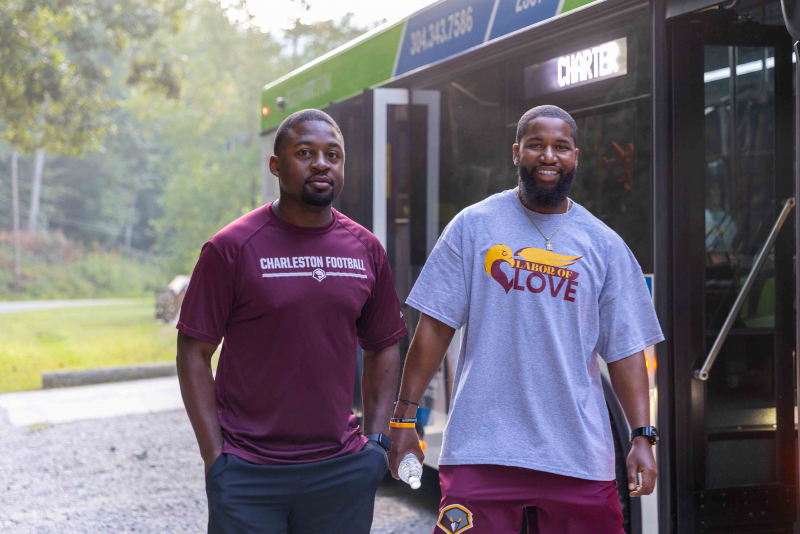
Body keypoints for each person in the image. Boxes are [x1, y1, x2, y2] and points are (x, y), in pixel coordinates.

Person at [388, 105, 664, 534]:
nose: (549, 156)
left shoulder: (604, 245)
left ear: (575, 157)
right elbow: (434, 329)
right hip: (482, 450)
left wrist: (642, 436)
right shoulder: (472, 227)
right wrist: (403, 419)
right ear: (516, 152)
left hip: (578, 456)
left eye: (561, 147)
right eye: (536, 145)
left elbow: (626, 349)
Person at [176, 109, 407, 534]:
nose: (321, 164)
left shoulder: (365, 249)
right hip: (248, 472)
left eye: (333, 155)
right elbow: (193, 352)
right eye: (305, 153)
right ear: (276, 166)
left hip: (340, 470)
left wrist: (375, 443)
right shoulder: (231, 248)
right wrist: (216, 459)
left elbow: (383, 346)